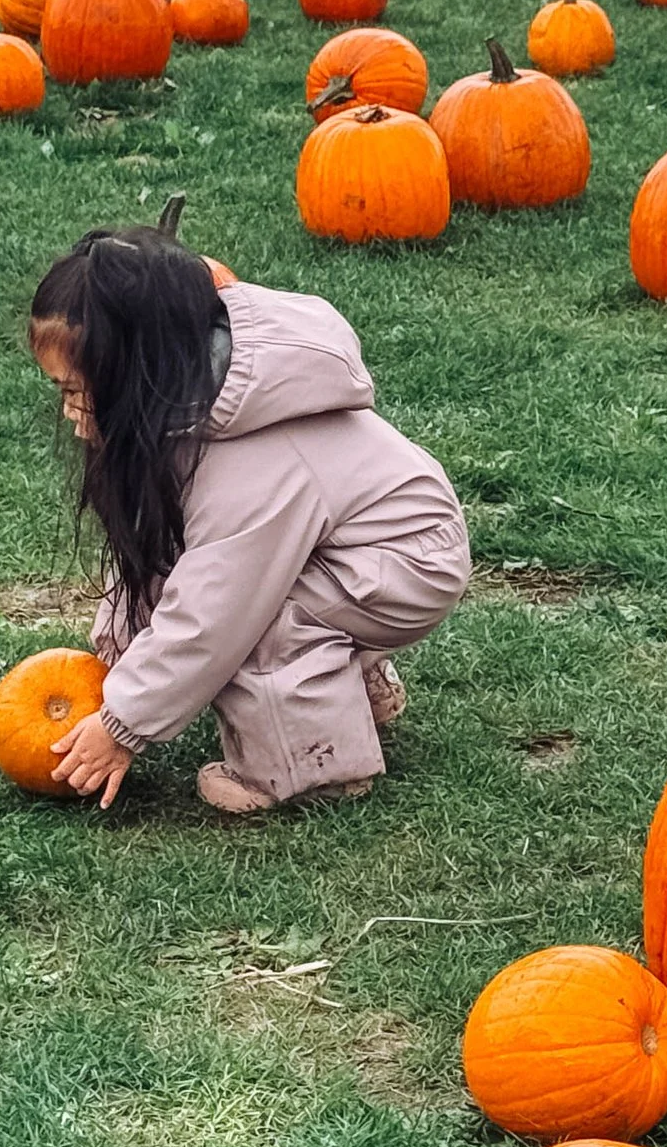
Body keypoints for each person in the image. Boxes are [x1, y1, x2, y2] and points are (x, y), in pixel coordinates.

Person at [28, 226, 471, 819]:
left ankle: (313, 767)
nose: (68, 408)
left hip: (407, 562)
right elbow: (160, 555)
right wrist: (118, 656)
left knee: (256, 621)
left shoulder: (251, 458)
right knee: (257, 593)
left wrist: (122, 722)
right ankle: (350, 690)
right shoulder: (186, 411)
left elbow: (213, 614)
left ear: (136, 377)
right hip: (347, 551)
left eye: (77, 391)